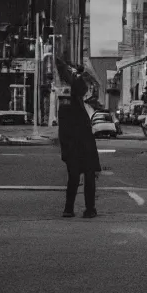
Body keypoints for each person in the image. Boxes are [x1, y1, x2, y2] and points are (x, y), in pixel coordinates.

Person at [55, 59, 102, 219]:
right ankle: (82, 209)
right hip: (78, 142)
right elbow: (80, 87)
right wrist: (80, 73)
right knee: (82, 176)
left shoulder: (70, 94)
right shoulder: (70, 93)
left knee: (80, 176)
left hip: (78, 142)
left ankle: (74, 209)